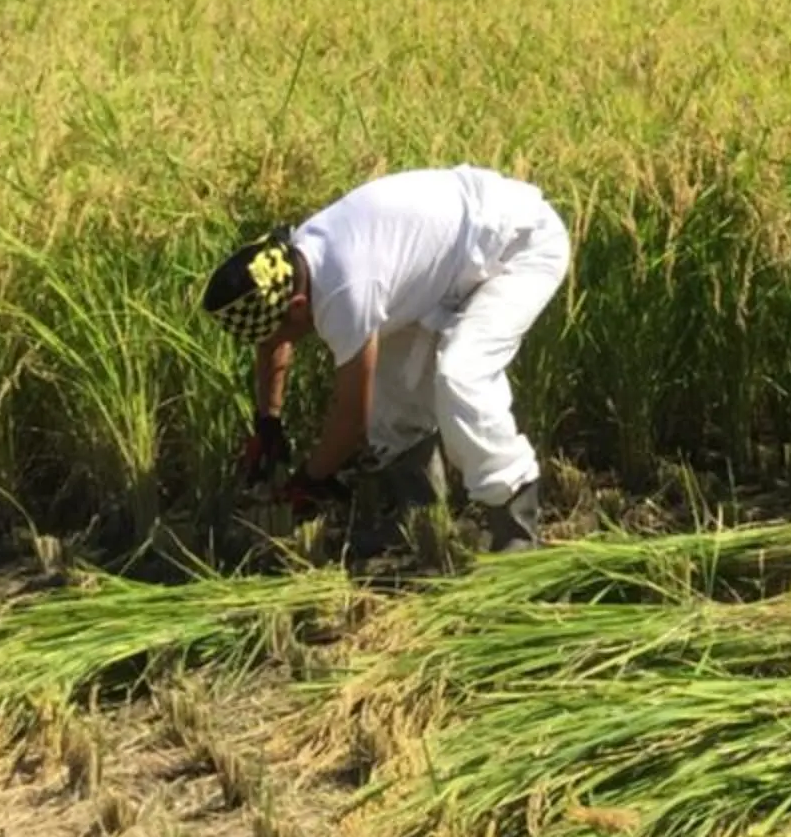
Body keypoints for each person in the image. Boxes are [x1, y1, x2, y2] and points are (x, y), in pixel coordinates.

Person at [202, 163, 569, 553]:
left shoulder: (346, 292)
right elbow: (272, 341)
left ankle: (515, 529)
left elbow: (351, 420)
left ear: (296, 306)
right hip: (450, 264)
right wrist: (268, 422)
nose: (277, 344)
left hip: (518, 245)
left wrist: (307, 483)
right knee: (391, 394)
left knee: (462, 376)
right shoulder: (292, 262)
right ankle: (421, 522)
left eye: (280, 334)